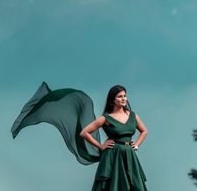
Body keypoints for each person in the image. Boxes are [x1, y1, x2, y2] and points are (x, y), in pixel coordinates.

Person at [11, 82, 149, 191]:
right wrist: (101, 146)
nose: (123, 99)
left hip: (129, 155)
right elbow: (84, 133)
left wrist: (136, 144)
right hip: (113, 155)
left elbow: (144, 131)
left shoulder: (132, 115)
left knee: (134, 185)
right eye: (120, 96)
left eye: (125, 96)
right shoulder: (105, 118)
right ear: (113, 100)